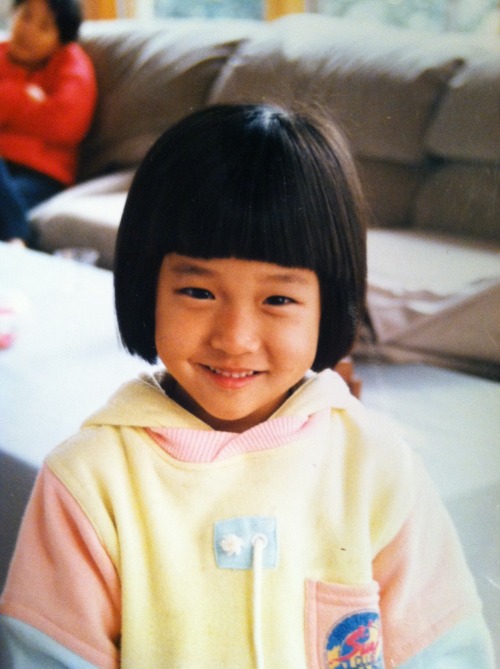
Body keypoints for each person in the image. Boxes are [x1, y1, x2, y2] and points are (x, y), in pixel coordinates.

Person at [0, 104, 494, 668]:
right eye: (199, 293)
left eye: (278, 299)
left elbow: (447, 652)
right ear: (146, 287)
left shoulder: (377, 468)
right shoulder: (88, 483)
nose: (235, 339)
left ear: (328, 305)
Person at [0, 0, 97, 244]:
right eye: (25, 17)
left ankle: (17, 239)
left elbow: (66, 123)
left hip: (41, 176)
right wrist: (25, 96)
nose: (28, 30)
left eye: (44, 27)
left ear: (60, 40)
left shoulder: (71, 63)